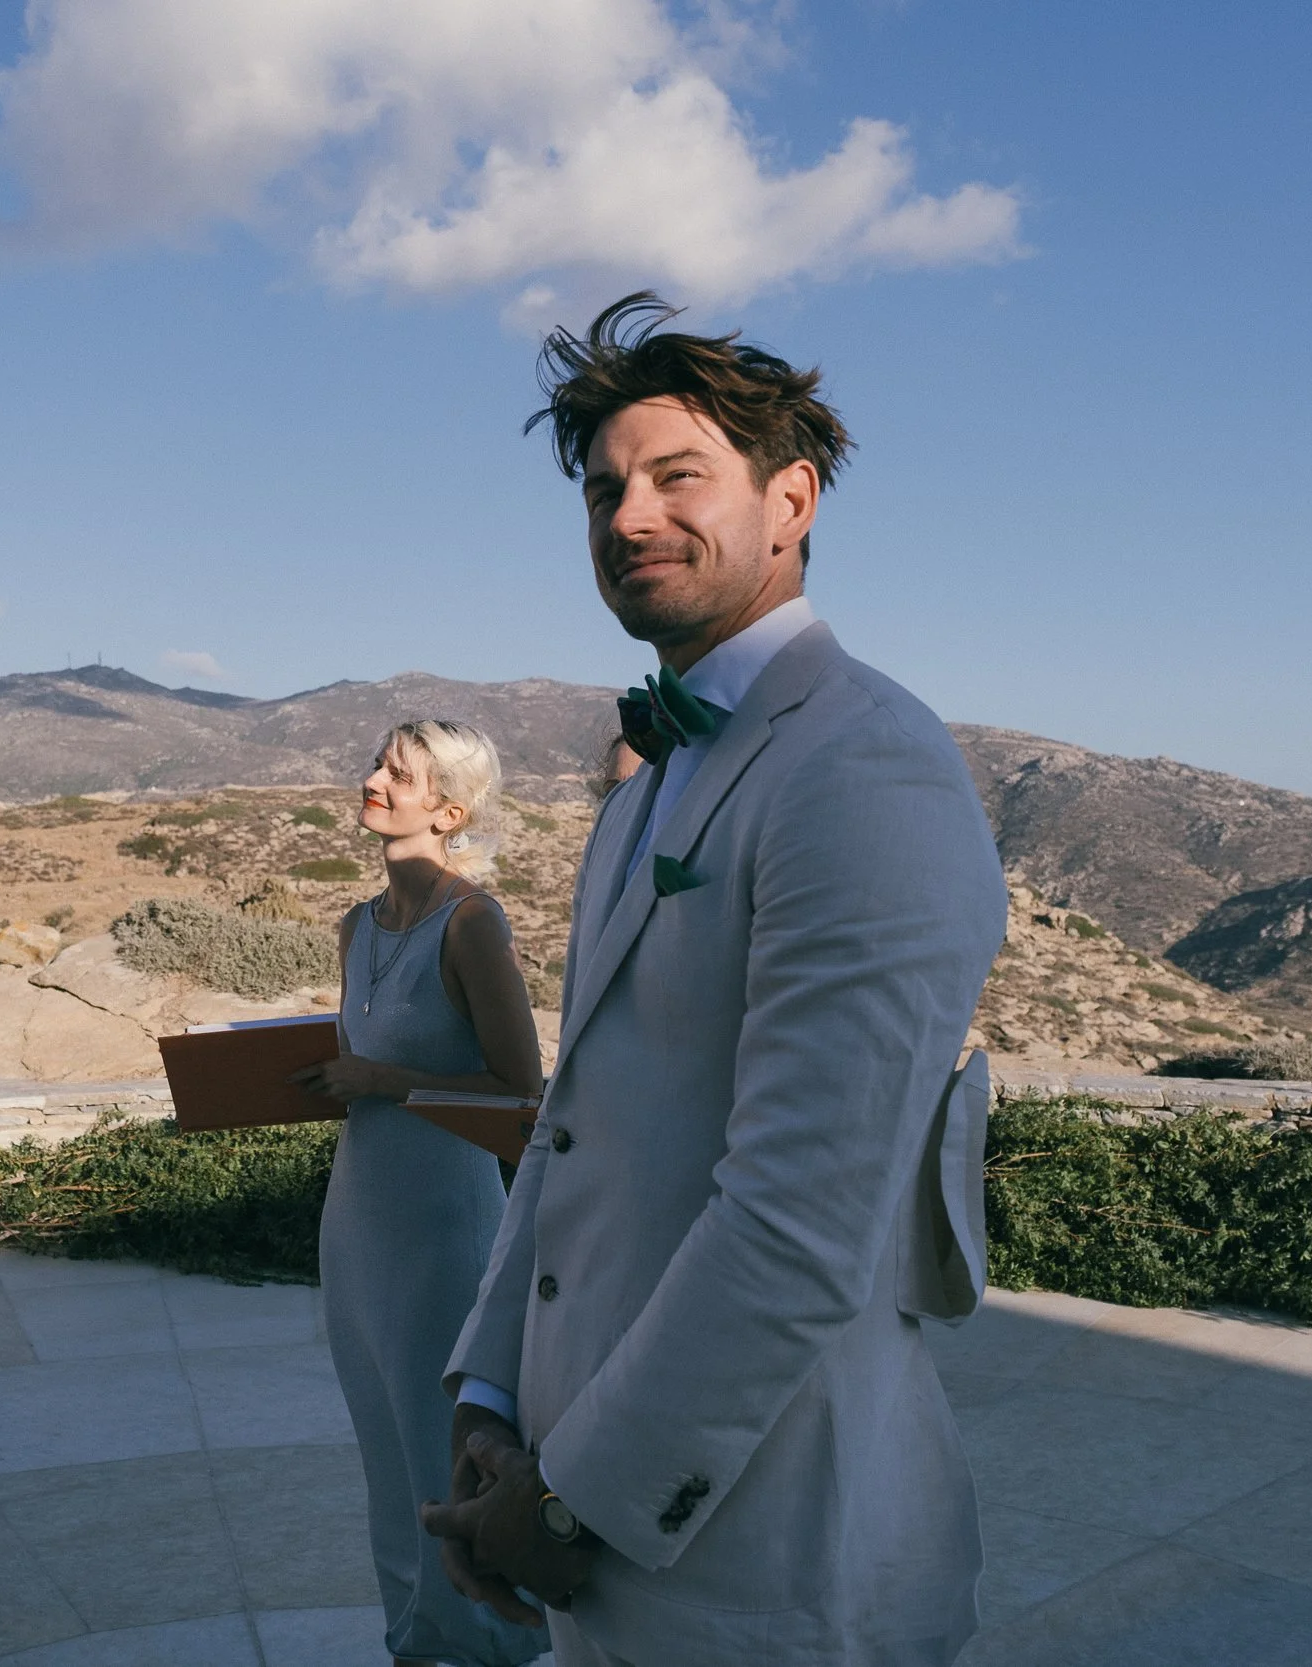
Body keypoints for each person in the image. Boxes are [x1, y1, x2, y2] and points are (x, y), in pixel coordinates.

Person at [420, 295, 1006, 1666]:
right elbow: (569, 1124)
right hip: (574, 1505)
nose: (629, 516)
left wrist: (571, 1502)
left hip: (766, 1548)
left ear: (789, 500)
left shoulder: (863, 761)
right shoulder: (644, 790)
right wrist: (490, 1392)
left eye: (677, 476)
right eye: (603, 488)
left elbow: (803, 1214)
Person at [289, 721, 552, 1667]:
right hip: (358, 1217)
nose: (373, 779)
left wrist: (384, 1080)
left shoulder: (474, 923)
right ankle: (411, 1640)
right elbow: (358, 1067)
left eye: (398, 773)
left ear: (449, 810)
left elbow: (523, 1088)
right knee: (384, 1454)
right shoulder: (354, 926)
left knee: (444, 1447)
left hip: (444, 1222)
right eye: (377, 764)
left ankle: (487, 1645)